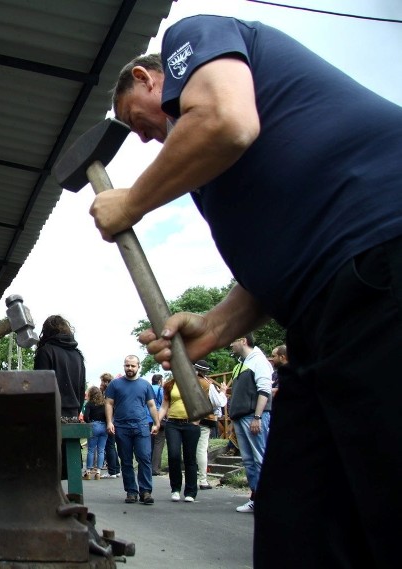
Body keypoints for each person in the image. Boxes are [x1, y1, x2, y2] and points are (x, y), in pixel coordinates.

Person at [94, 13, 402, 566]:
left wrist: (132, 200)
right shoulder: (208, 177)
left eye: (132, 119)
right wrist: (213, 325)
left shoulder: (195, 37)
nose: (140, 136)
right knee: (298, 517)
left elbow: (226, 120)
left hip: (384, 257)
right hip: (321, 313)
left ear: (145, 77)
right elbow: (274, 265)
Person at [104, 355, 159, 505]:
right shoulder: (115, 384)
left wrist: (156, 422)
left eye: (133, 366)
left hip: (141, 426)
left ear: (138, 367)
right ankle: (131, 492)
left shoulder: (145, 385)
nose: (130, 368)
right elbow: (109, 403)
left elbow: (152, 405)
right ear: (124, 366)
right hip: (122, 427)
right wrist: (110, 422)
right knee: (126, 460)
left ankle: (146, 491)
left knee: (144, 458)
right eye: (127, 366)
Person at [228, 334, 272, 514]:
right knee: (248, 460)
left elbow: (264, 389)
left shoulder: (258, 361)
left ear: (243, 340)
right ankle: (255, 497)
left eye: (233, 341)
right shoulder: (242, 363)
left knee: (260, 458)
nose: (230, 345)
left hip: (252, 416)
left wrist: (258, 417)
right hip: (240, 417)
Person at [158, 362, 206, 503]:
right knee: (174, 456)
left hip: (190, 425)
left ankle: (190, 491)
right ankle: (175, 489)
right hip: (173, 423)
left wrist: (196, 420)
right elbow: (164, 406)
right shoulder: (170, 385)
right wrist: (156, 422)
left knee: (190, 458)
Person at [33, 315, 86, 420]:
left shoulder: (45, 351)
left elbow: (40, 387)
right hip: (73, 416)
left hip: (50, 415)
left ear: (46, 332)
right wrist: (76, 413)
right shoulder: (78, 355)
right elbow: (81, 389)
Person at [193, 360, 218, 490]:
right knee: (202, 449)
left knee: (190, 449)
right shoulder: (207, 383)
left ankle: (190, 479)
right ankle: (203, 480)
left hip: (186, 418)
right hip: (203, 418)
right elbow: (218, 402)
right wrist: (223, 392)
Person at [82, 385, 107, 480]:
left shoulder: (89, 404)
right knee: (101, 450)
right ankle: (98, 472)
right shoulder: (104, 403)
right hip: (104, 426)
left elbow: (85, 417)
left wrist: (89, 423)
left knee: (91, 449)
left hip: (94, 425)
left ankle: (88, 472)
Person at [99, 372, 120, 478]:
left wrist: (109, 422)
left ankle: (112, 471)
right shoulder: (115, 390)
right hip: (115, 421)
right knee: (112, 446)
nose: (102, 383)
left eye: (103, 381)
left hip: (110, 421)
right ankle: (116, 469)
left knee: (109, 446)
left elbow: (109, 407)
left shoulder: (108, 393)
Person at [149, 373, 166, 476]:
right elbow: (165, 403)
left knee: (149, 443)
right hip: (158, 417)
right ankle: (155, 468)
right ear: (159, 381)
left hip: (147, 418)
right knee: (158, 443)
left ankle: (148, 466)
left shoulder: (148, 388)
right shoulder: (161, 390)